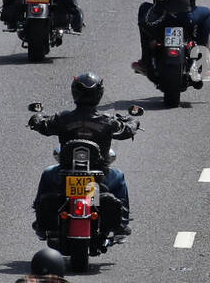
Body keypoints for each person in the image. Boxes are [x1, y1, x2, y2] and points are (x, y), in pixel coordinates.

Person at [29, 72, 136, 235]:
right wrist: (132, 122)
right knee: (119, 177)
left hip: (65, 174)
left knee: (47, 174)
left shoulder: (63, 118)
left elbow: (43, 125)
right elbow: (126, 130)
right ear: (99, 94)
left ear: (75, 93)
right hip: (100, 176)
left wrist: (37, 118)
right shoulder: (107, 120)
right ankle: (122, 224)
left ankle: (40, 222)